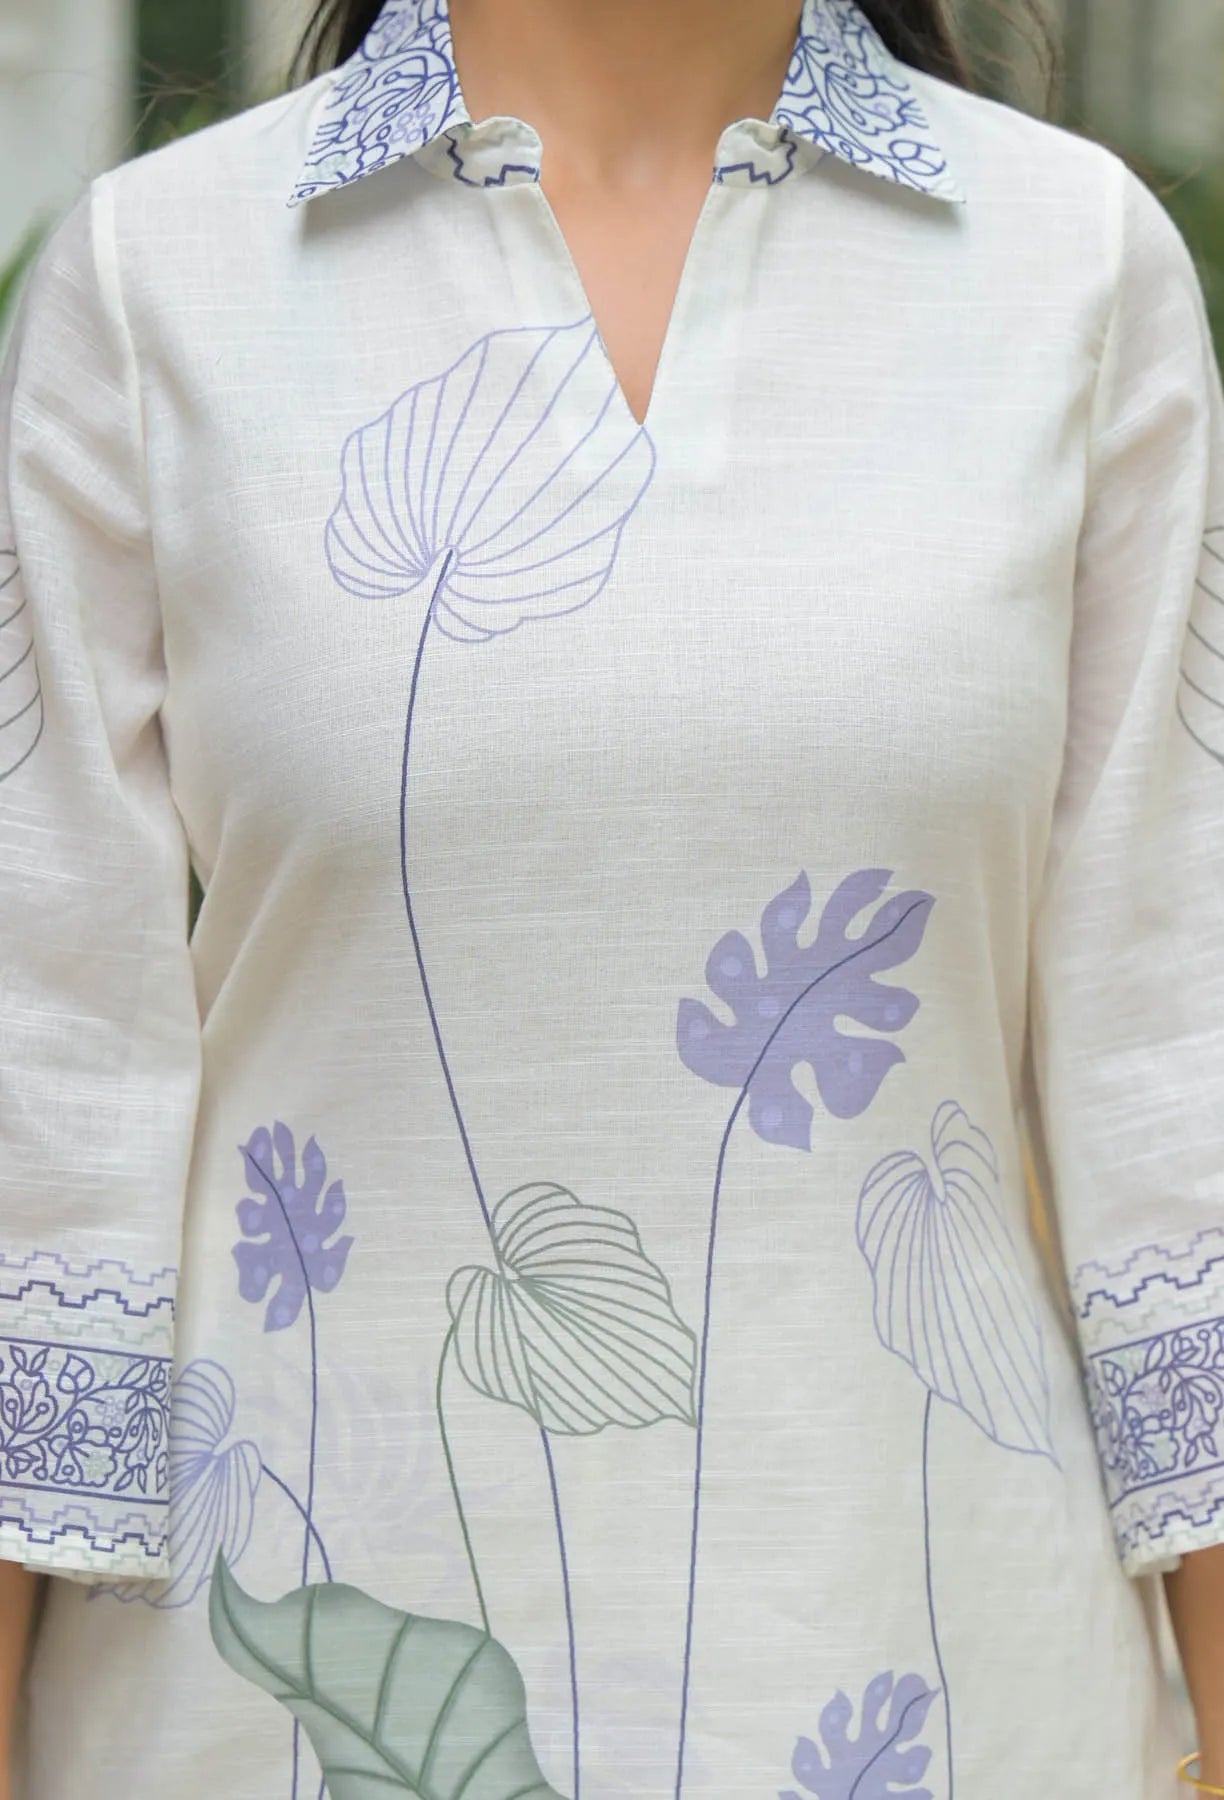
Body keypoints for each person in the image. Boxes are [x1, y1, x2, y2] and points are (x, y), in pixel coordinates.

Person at [2, 0, 1223, 1793]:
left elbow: (1179, 1076)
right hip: (264, 1726)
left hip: (955, 1702)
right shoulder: (153, 278)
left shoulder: (1080, 268)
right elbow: (46, 1103)